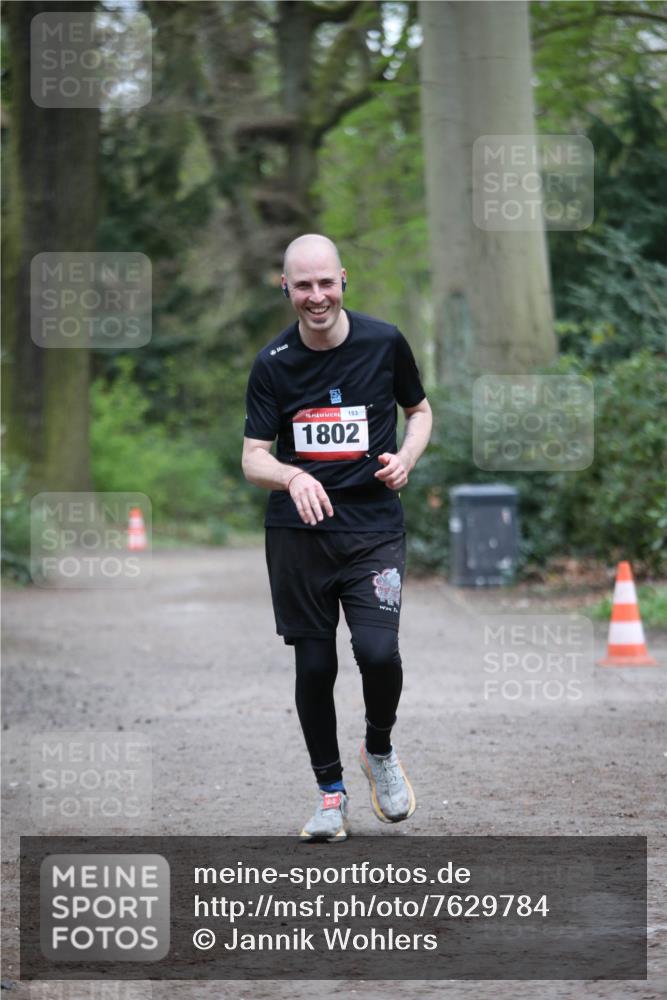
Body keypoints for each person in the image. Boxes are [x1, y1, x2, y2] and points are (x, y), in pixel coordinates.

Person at [242, 234, 432, 842]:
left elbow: (420, 411)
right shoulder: (273, 363)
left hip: (372, 526)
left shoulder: (384, 341)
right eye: (303, 285)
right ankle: (329, 796)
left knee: (378, 653)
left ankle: (378, 749)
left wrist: (406, 457)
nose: (316, 296)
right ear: (286, 289)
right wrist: (291, 474)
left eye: (325, 282)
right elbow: (252, 458)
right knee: (315, 663)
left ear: (343, 279)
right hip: (300, 535)